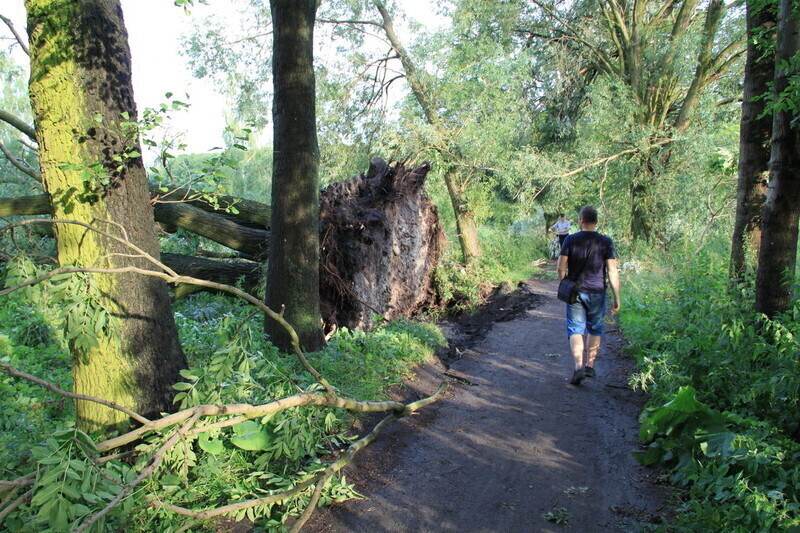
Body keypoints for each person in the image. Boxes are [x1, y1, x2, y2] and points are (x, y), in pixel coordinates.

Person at [557, 206, 620, 386]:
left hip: (575, 292)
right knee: (595, 328)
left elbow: (561, 268)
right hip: (597, 292)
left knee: (575, 329)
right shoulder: (606, 242)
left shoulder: (570, 240)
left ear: (581, 220)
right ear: (596, 221)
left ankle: (578, 367)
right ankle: (589, 365)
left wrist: (564, 284)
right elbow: (612, 271)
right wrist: (617, 297)